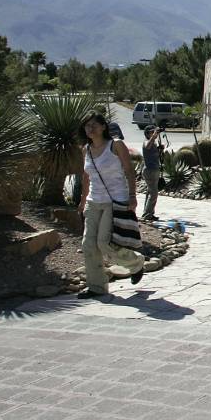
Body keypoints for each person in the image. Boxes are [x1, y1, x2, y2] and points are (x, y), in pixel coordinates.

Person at [77, 111, 145, 298]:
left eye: (94, 125)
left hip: (114, 200)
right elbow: (86, 177)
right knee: (88, 244)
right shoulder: (86, 149)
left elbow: (129, 171)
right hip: (94, 200)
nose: (90, 129)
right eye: (87, 126)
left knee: (104, 242)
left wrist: (132, 196)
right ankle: (96, 287)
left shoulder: (115, 145)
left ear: (103, 127)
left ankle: (136, 263)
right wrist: (82, 201)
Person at [140, 125, 164, 222]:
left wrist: (160, 150)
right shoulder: (147, 142)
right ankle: (147, 214)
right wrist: (154, 136)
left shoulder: (153, 143)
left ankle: (148, 213)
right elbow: (147, 146)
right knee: (153, 193)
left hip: (154, 169)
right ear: (147, 134)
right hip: (149, 170)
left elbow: (154, 155)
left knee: (150, 192)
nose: (154, 134)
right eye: (151, 132)